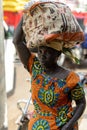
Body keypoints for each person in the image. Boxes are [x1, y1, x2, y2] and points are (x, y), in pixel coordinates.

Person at [13, 3, 86, 130]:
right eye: (40, 51)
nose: (42, 55)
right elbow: (17, 41)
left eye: (48, 52)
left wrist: (69, 125)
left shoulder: (70, 78)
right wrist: (25, 14)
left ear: (57, 54)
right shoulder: (35, 68)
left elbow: (81, 103)